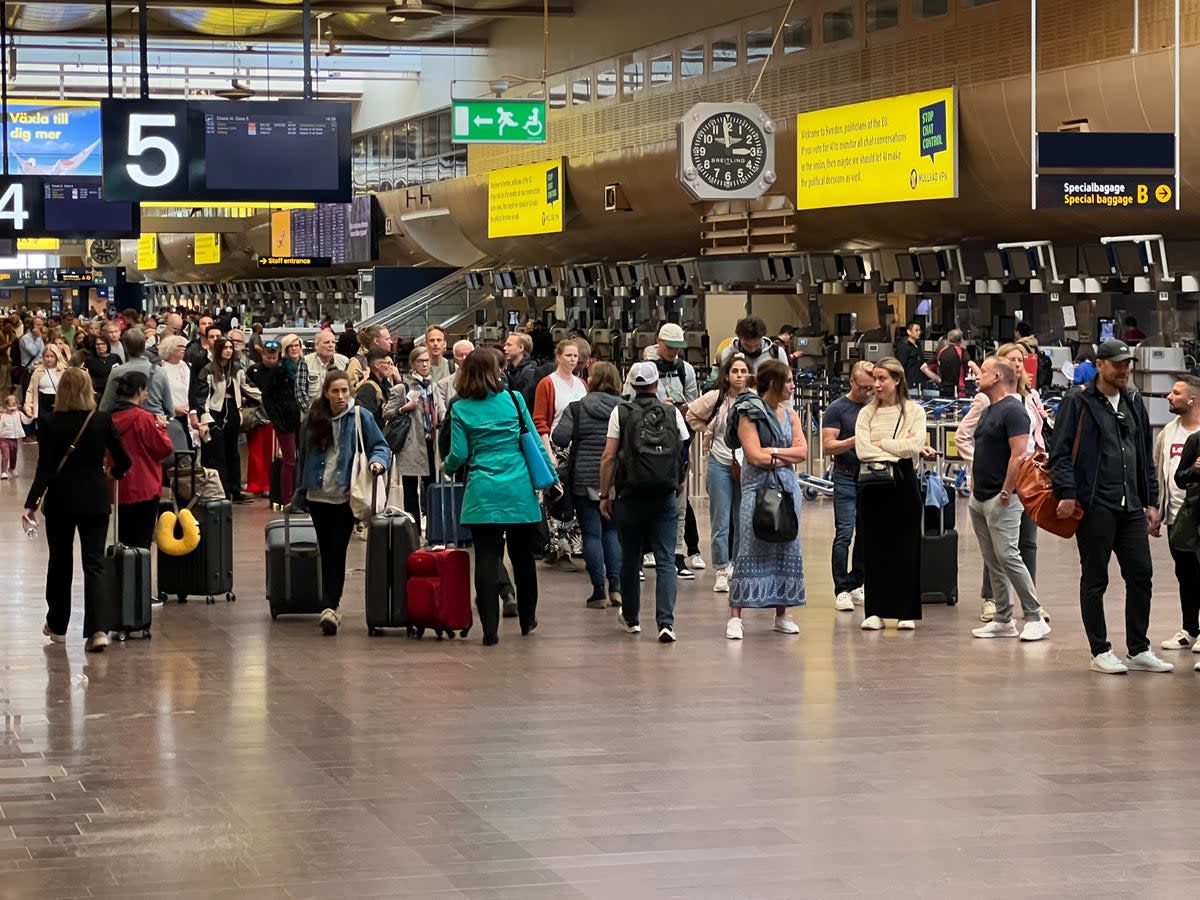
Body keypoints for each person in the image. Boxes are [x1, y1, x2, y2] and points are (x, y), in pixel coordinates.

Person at [1048, 339, 1172, 674]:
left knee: (1141, 574)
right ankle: (1100, 650)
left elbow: (1143, 453)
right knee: (1095, 579)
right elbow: (1059, 453)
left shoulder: (1132, 400)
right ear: (1100, 364)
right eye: (1117, 365)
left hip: (1131, 505)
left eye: (1127, 365)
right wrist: (1068, 493)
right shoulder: (1078, 401)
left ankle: (1138, 648)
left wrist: (1149, 501)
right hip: (1094, 504)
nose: (1124, 371)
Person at [443, 350, 557, 645]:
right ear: (495, 373)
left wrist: (446, 468)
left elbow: (459, 454)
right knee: (522, 558)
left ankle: (490, 630)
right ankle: (527, 618)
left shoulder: (461, 408)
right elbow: (533, 442)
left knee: (486, 557)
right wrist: (552, 479)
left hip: (483, 491)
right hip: (517, 489)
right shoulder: (515, 400)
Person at [22, 367, 131, 653]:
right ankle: (97, 630)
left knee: (59, 562)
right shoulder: (101, 420)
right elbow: (124, 460)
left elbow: (45, 467)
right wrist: (113, 471)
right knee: (94, 564)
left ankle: (57, 626)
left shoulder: (48, 422)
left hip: (60, 501)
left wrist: (31, 503)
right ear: (88, 390)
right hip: (94, 500)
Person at [956, 342, 1050, 624]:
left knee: (1010, 555)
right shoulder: (988, 407)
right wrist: (976, 476)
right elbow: (970, 440)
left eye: (982, 371)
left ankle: (1033, 615)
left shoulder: (1014, 409)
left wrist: (1007, 491)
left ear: (996, 377)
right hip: (981, 496)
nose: (976, 376)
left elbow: (1020, 453)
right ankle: (1002, 617)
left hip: (1005, 494)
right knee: (994, 558)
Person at [292, 370, 390, 636]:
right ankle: (331, 604)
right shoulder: (313, 420)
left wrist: (378, 462)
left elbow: (381, 446)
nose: (340, 396)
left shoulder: (361, 417)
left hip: (346, 497)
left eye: (345, 391)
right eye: (335, 391)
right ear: (326, 392)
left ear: (351, 392)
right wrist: (299, 494)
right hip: (318, 496)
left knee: (337, 549)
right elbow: (303, 457)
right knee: (327, 549)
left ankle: (331, 606)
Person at [599, 361, 689, 643]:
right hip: (664, 494)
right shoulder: (671, 412)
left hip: (630, 494)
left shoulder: (621, 411)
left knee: (630, 557)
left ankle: (632, 618)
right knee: (665, 559)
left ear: (632, 384)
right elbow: (683, 449)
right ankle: (665, 623)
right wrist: (677, 481)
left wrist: (605, 493)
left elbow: (609, 457)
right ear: (656, 383)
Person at [723, 359, 807, 639]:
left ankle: (782, 613)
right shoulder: (750, 412)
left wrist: (772, 451)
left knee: (786, 546)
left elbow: (803, 451)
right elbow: (754, 456)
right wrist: (783, 453)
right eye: (789, 381)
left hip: (787, 490)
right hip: (757, 490)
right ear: (773, 383)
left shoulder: (791, 414)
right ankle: (736, 615)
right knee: (749, 545)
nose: (793, 386)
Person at [854, 357, 932, 631]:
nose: (876, 384)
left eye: (882, 379)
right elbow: (863, 450)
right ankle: (875, 610)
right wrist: (893, 449)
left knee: (906, 546)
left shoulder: (914, 410)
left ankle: (905, 611)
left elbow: (914, 446)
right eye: (874, 379)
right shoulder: (866, 413)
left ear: (897, 380)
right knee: (875, 547)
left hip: (903, 482)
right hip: (873, 484)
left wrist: (882, 443)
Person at [624, 323, 701, 580]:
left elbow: (694, 404)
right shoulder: (642, 369)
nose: (674, 353)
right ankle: (644, 551)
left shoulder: (685, 369)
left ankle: (677, 554)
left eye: (679, 348)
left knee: (677, 502)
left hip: (675, 445)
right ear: (659, 342)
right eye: (670, 347)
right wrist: (656, 406)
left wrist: (677, 409)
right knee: (643, 500)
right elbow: (628, 402)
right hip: (643, 445)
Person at [552, 361, 624, 609]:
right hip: (616, 478)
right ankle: (617, 587)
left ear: (591, 381)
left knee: (592, 534)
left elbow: (559, 438)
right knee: (613, 532)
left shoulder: (578, 408)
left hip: (584, 477)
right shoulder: (625, 408)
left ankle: (598, 591)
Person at [686, 352, 752, 593]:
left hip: (747, 465)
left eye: (744, 371)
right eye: (735, 371)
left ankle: (737, 564)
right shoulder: (717, 398)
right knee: (721, 520)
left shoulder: (754, 400)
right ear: (726, 374)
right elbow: (691, 413)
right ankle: (721, 569)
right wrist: (707, 430)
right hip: (720, 463)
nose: (739, 376)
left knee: (741, 518)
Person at [821, 360, 875, 611]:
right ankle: (841, 587)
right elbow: (828, 445)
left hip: (870, 476)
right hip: (844, 474)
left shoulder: (876, 406)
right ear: (852, 382)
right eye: (863, 387)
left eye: (871, 388)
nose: (867, 392)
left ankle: (857, 582)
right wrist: (855, 440)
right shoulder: (837, 409)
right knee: (844, 532)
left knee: (867, 533)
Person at [1155, 377, 1200, 654]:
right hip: (1177, 516)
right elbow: (1161, 472)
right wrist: (1156, 511)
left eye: (1176, 392)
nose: (1169, 396)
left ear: (1192, 400)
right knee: (1185, 575)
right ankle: (1190, 630)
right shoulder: (1167, 434)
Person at [108, 372, 174, 550]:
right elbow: (163, 448)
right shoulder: (144, 418)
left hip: (120, 485)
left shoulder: (109, 418)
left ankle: (125, 575)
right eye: (146, 390)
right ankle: (140, 576)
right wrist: (161, 428)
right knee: (142, 541)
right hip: (145, 484)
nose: (147, 394)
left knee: (124, 538)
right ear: (139, 390)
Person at [192, 337, 259, 503]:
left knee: (233, 452)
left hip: (233, 411)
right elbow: (202, 397)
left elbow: (248, 387)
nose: (229, 350)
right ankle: (222, 490)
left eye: (231, 347)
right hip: (216, 413)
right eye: (225, 347)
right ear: (218, 350)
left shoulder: (236, 368)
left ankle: (236, 490)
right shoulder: (208, 370)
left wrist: (267, 398)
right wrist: (205, 419)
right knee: (218, 453)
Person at [382, 346, 437, 533]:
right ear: (413, 363)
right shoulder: (402, 387)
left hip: (432, 442)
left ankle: (433, 529)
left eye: (427, 360)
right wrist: (403, 408)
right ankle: (412, 530)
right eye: (420, 361)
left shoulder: (433, 386)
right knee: (411, 487)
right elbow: (386, 413)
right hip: (412, 443)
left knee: (432, 486)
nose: (424, 364)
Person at [246, 338, 303, 503]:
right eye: (267, 357)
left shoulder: (284, 370)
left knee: (281, 456)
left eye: (274, 357)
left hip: (285, 418)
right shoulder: (254, 370)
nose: (271, 360)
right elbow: (257, 392)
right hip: (262, 416)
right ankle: (258, 485)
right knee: (259, 454)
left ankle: (272, 487)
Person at [99, 327, 174, 420]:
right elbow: (170, 408)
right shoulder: (159, 371)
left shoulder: (117, 372)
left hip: (126, 422)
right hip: (155, 422)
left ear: (125, 347)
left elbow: (106, 405)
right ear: (144, 345)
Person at [533, 339, 588, 456]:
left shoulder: (582, 384)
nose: (573, 359)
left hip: (580, 447)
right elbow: (540, 421)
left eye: (575, 356)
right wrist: (548, 453)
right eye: (568, 355)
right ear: (558, 357)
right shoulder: (547, 383)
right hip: (555, 447)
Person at [158, 335, 198, 448]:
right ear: (169, 349)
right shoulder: (162, 369)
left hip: (188, 414)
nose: (183, 349)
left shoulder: (186, 367)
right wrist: (174, 408)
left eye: (185, 346)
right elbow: (160, 395)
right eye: (179, 346)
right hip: (172, 416)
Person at [716, 315, 790, 371]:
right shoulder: (727, 353)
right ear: (739, 338)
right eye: (747, 345)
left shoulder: (776, 353)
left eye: (757, 345)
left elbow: (786, 380)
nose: (752, 350)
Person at [297, 330, 348, 409]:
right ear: (316, 346)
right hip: (312, 412)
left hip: (339, 412)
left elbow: (350, 389)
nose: (331, 345)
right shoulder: (306, 361)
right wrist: (312, 412)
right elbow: (300, 392)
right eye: (327, 342)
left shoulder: (344, 361)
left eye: (333, 342)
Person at [354, 347, 399, 427]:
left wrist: (398, 381)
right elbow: (365, 420)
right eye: (388, 363)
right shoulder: (368, 389)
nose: (392, 367)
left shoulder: (385, 384)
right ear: (377, 365)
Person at [433, 339, 474, 421]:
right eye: (460, 355)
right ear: (454, 359)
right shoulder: (443, 384)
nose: (464, 358)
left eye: (467, 354)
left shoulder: (484, 381)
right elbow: (442, 414)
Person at [932, 329, 980, 398]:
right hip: (959, 389)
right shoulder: (962, 351)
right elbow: (971, 364)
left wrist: (938, 379)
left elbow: (924, 367)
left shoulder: (941, 352)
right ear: (961, 340)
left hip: (944, 389)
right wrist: (981, 378)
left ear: (948, 339)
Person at [23, 345, 66, 422]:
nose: (49, 359)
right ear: (43, 357)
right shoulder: (38, 372)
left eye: (52, 356)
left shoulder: (64, 371)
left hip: (59, 403)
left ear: (57, 356)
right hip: (42, 403)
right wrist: (28, 406)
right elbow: (30, 391)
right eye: (46, 356)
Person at [895, 320, 930, 396]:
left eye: (919, 330)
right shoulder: (903, 346)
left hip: (920, 383)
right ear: (909, 331)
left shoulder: (918, 345)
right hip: (910, 384)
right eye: (916, 330)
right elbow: (900, 366)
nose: (919, 332)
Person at [0, 394, 30, 477]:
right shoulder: (2, 416)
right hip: (3, 438)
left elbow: (26, 421)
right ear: (5, 406)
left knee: (13, 455)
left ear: (17, 405)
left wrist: (32, 416)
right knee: (5, 455)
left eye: (14, 405)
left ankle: (12, 468)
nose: (12, 408)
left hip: (14, 439)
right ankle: (4, 472)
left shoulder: (19, 414)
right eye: (9, 406)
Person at [503, 332, 539, 396]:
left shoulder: (529, 372)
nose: (504, 348)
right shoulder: (509, 369)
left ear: (521, 348)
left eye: (509, 345)